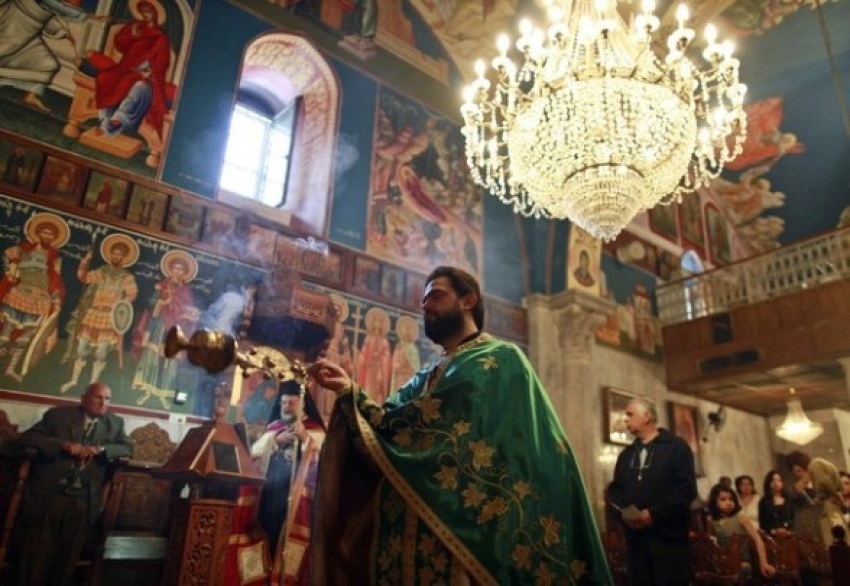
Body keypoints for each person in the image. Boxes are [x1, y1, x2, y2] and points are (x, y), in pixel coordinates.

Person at [308, 266, 610, 583]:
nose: (426, 306)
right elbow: (388, 425)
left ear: (468, 301)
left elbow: (518, 451)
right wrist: (348, 389)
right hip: (412, 526)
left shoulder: (502, 359)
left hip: (467, 532)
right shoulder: (427, 374)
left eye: (436, 296)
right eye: (423, 301)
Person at [14, 381, 132, 586]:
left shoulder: (115, 423)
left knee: (67, 558)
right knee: (37, 555)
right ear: (84, 398)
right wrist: (63, 445)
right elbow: (29, 437)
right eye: (98, 397)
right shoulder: (58, 416)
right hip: (51, 493)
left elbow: (127, 448)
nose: (103, 403)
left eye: (107, 399)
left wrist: (101, 450)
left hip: (84, 498)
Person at [608, 396, 697, 585]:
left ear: (647, 416)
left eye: (630, 414)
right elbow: (616, 491)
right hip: (636, 541)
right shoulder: (626, 454)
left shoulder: (676, 447)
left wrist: (653, 514)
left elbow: (686, 490)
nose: (626, 419)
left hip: (668, 541)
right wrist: (624, 514)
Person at [250, 381, 324, 583]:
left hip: (299, 502)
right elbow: (252, 456)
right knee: (269, 534)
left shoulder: (315, 430)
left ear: (303, 405)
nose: (286, 407)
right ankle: (265, 576)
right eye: (283, 403)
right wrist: (275, 441)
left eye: (292, 403)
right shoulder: (274, 429)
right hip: (271, 496)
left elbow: (326, 466)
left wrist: (306, 440)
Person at [79, 0, 172, 137]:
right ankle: (104, 121)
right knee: (106, 78)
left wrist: (150, 71)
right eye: (143, 11)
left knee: (140, 86)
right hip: (126, 67)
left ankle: (118, 120)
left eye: (148, 11)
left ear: (155, 13)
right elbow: (120, 46)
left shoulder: (161, 37)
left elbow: (163, 62)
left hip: (148, 74)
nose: (146, 15)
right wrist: (130, 35)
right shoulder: (136, 26)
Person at [61, 235, 139, 393]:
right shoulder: (101, 271)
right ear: (110, 255)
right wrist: (84, 262)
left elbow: (132, 294)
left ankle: (92, 385)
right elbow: (84, 278)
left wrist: (121, 305)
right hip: (92, 313)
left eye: (120, 254)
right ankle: (73, 380)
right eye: (114, 253)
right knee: (81, 348)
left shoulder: (126, 276)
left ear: (124, 258)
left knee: (101, 353)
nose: (116, 256)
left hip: (109, 318)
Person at [0, 214, 67, 380]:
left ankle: (11, 368)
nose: (47, 236)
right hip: (20, 293)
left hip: (41, 300)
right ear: (37, 233)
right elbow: (6, 255)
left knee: (28, 335)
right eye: (44, 233)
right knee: (6, 330)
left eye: (51, 235)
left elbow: (56, 280)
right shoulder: (24, 249)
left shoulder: (55, 257)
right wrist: (9, 273)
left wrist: (56, 301)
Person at [131, 251, 198, 407]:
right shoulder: (161, 285)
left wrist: (185, 311)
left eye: (180, 270)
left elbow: (188, 309)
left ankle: (164, 393)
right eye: (175, 268)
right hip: (159, 324)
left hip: (175, 329)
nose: (177, 272)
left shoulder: (185, 291)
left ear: (184, 273)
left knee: (170, 361)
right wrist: (161, 302)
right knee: (151, 356)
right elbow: (151, 302)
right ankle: (147, 390)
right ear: (170, 270)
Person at [0, 0, 92, 112]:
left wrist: (60, 32)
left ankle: (31, 96)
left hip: (30, 31)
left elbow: (47, 15)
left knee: (48, 64)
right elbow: (51, 5)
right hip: (14, 21)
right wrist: (88, 16)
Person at [707, 483, 775, 580]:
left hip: (742, 562)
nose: (728, 502)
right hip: (723, 562)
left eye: (731, 499)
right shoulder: (712, 521)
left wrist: (764, 563)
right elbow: (710, 542)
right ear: (715, 503)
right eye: (723, 499)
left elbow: (758, 540)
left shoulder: (741, 518)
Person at [758, 469, 794, 537]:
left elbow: (792, 519)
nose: (776, 483)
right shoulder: (764, 501)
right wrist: (774, 531)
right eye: (773, 480)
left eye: (779, 480)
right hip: (771, 537)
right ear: (768, 483)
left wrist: (787, 530)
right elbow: (763, 523)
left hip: (788, 536)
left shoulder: (788, 500)